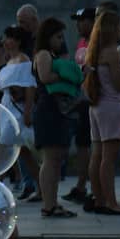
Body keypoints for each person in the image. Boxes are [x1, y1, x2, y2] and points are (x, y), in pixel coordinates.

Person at [83, 10, 120, 215]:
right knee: (109, 158)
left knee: (97, 156)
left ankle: (99, 199)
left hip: (96, 106)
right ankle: (112, 202)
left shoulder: (93, 51)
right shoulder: (112, 52)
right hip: (113, 105)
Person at [33, 17, 80, 218]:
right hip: (49, 109)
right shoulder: (43, 54)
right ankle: (49, 205)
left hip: (57, 110)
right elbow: (45, 77)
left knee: (57, 158)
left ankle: (52, 201)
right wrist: (66, 75)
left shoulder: (52, 54)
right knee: (50, 159)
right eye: (58, 36)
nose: (61, 40)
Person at [0, 26, 39, 198]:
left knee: (3, 148)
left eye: (10, 38)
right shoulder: (9, 61)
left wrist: (28, 111)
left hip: (17, 111)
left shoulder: (23, 60)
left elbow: (29, 87)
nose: (6, 42)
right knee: (24, 153)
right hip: (7, 107)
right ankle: (41, 187)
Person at [61, 7, 96, 204]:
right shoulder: (82, 43)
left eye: (82, 21)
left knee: (94, 145)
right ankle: (82, 185)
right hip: (81, 100)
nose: (78, 25)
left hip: (94, 100)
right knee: (82, 144)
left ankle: (93, 187)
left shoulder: (99, 43)